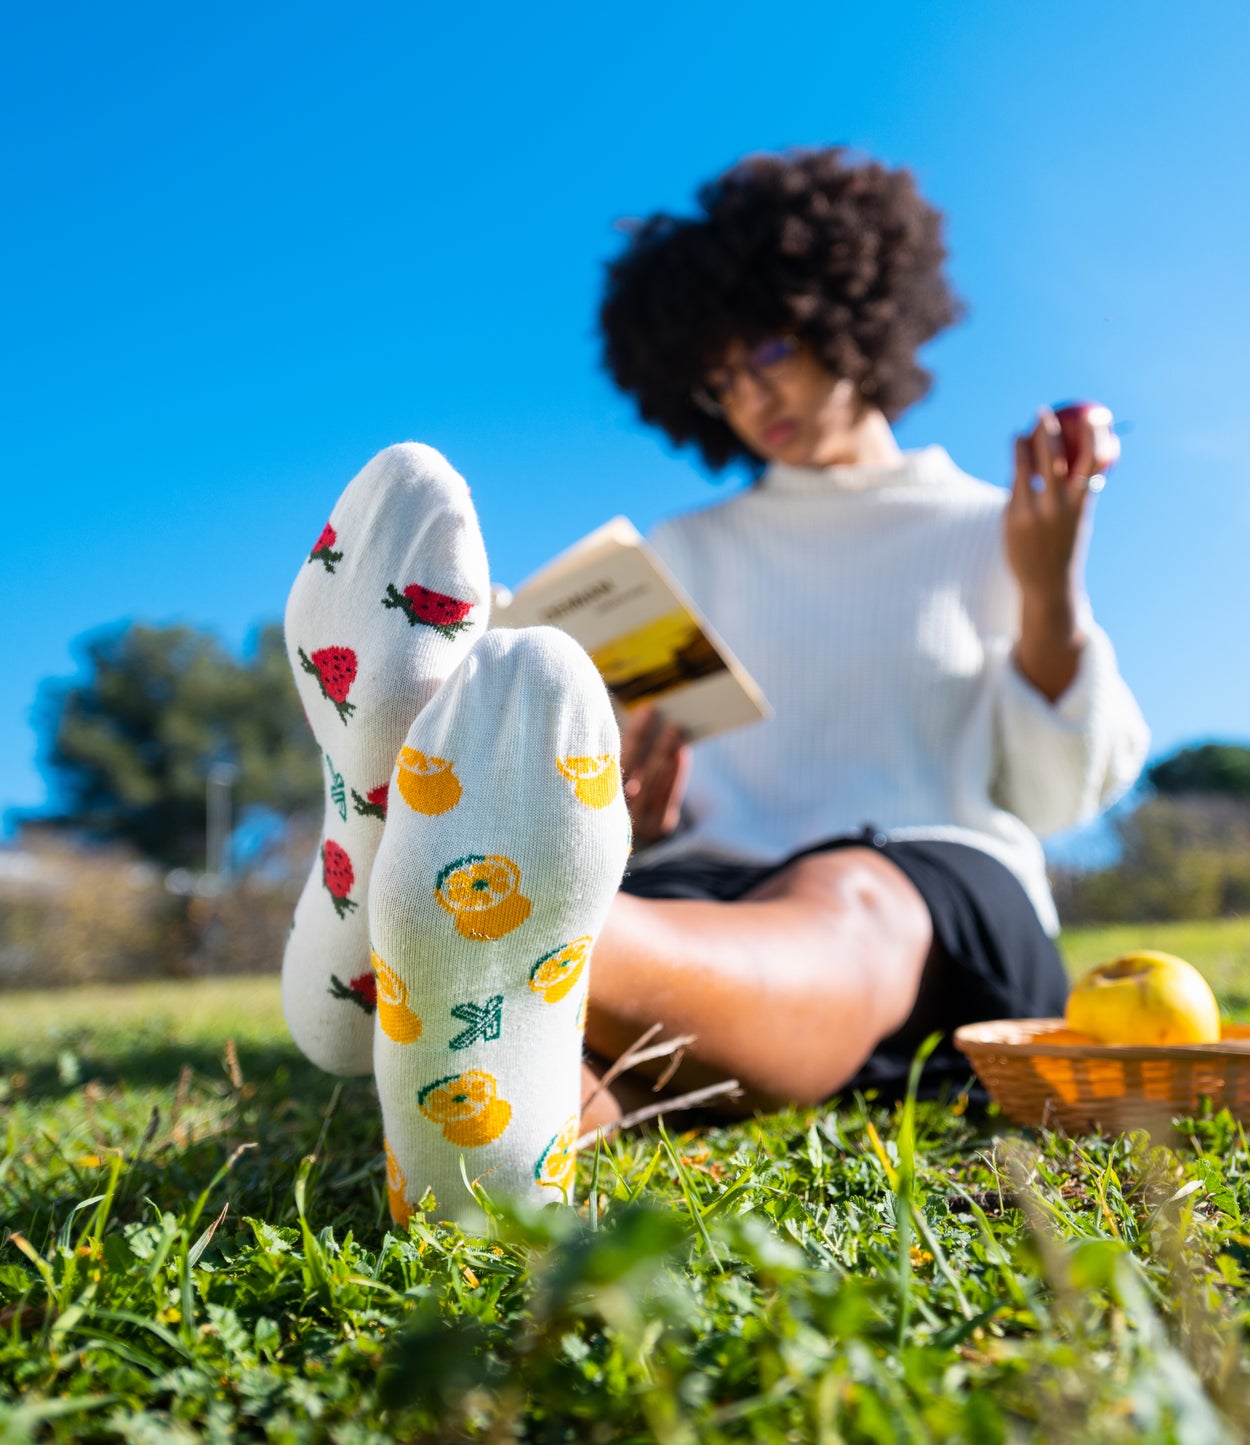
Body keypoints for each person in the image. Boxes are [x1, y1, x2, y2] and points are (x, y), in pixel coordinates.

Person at [279, 148, 1148, 1231]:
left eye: (768, 350)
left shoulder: (997, 528)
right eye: (719, 379)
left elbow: (1065, 789)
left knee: (848, 898)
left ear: (853, 313)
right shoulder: (679, 554)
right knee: (545, 1055)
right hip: (698, 904)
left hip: (923, 903)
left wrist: (1045, 583)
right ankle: (475, 1111)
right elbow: (644, 794)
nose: (750, 395)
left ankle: (412, 884)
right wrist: (617, 806)